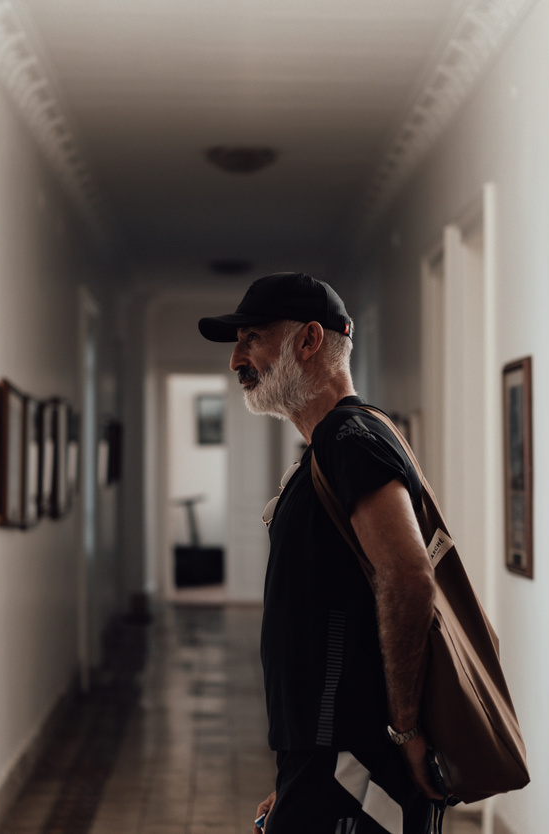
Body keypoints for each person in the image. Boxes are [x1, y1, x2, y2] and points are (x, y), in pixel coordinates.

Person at [198, 273, 442, 834]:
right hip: (329, 758)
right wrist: (297, 774)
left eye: (251, 337)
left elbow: (408, 578)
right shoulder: (330, 447)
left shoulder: (350, 441)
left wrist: (402, 732)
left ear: (309, 340)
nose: (236, 358)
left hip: (356, 760)